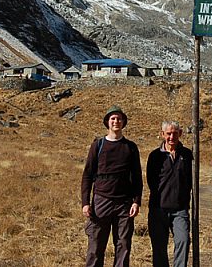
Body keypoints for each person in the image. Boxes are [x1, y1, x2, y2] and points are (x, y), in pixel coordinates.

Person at [80, 106, 143, 267]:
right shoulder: (98, 145)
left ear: (123, 122)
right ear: (107, 122)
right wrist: (85, 203)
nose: (116, 121)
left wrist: (136, 201)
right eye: (113, 118)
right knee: (95, 246)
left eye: (119, 119)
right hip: (101, 200)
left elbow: (136, 177)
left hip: (124, 204)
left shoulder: (130, 147)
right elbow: (87, 175)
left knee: (123, 246)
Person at [146, 121, 193, 267]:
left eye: (175, 133)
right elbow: (151, 181)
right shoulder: (154, 156)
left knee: (183, 241)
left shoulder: (187, 154)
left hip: (180, 210)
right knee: (159, 249)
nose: (171, 136)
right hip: (158, 209)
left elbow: (190, 180)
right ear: (162, 134)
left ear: (180, 134)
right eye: (168, 133)